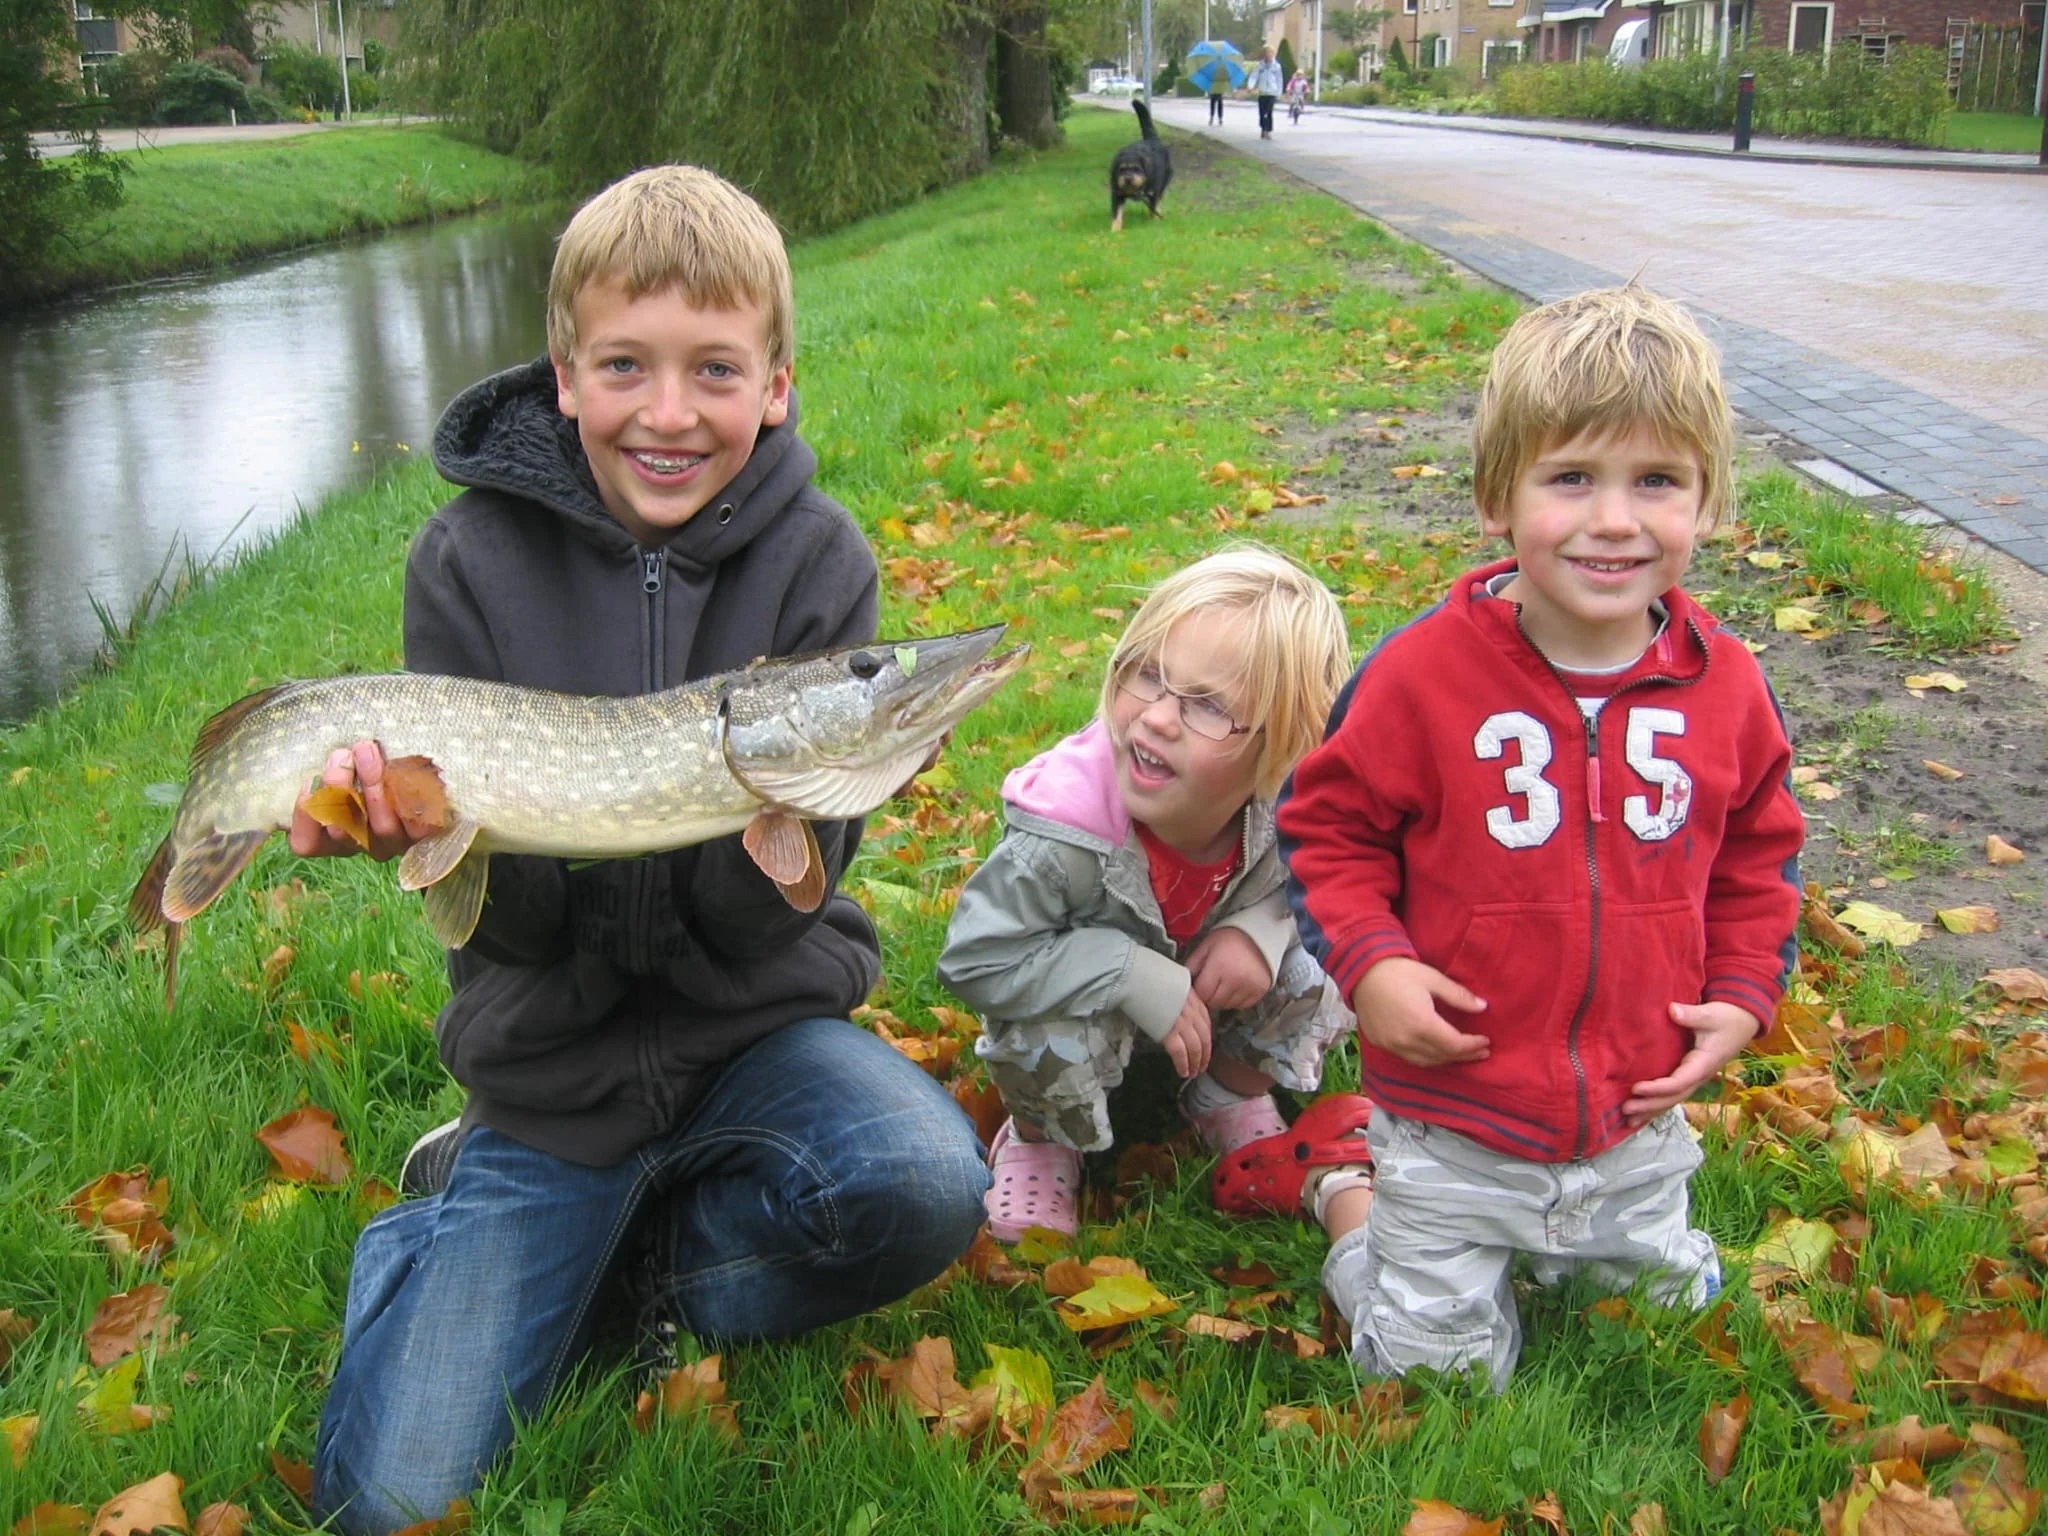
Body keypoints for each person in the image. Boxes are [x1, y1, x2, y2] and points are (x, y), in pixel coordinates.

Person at [293, 165, 990, 1533]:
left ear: (774, 386)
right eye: (625, 366)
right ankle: (446, 1223)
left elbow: (764, 924)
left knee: (924, 1182)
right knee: (385, 1502)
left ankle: (647, 1276)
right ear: (565, 377)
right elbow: (512, 933)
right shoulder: (465, 563)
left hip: (757, 1038)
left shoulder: (818, 562)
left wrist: (805, 806)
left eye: (714, 371)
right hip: (550, 1073)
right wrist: (415, 830)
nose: (669, 414)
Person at [1273, 284, 1805, 1390]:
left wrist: (1744, 995)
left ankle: (1590, 1241)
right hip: (1452, 1110)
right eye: (1570, 478)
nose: (1613, 519)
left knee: (1660, 1335)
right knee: (1435, 1383)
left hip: (1635, 1111)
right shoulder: (1421, 676)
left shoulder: (1728, 688)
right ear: (1495, 497)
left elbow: (1759, 857)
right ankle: (1350, 1205)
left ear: (1706, 501)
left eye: (1655, 481)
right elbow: (1326, 832)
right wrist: (1372, 967)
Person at [936, 547, 1355, 1241]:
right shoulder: (1063, 835)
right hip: (1088, 1014)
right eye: (1149, 674)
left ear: (1283, 748)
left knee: (1338, 951)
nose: (1158, 718)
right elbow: (975, 959)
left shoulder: (1291, 806)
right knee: (1040, 1029)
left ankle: (1225, 1093)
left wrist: (1263, 930)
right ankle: (1041, 1139)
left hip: (1208, 1006)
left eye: (1209, 705)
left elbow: (1333, 877)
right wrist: (1124, 970)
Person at [1245, 46, 1285, 139]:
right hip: (1262, 92)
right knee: (1262, 112)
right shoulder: (1260, 65)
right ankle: (1263, 128)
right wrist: (1250, 86)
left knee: (1269, 112)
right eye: (1267, 53)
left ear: (1273, 54)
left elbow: (1279, 80)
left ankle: (1268, 130)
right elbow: (1254, 76)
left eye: (1270, 53)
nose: (1268, 55)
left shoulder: (1276, 66)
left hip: (1272, 92)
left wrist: (1278, 92)